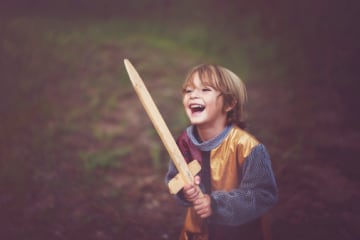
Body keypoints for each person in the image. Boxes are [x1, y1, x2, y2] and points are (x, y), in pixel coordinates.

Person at [165, 64, 278, 240]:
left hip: (239, 234)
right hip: (198, 233)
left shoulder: (248, 147)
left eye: (205, 89)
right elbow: (174, 180)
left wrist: (216, 204)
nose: (193, 95)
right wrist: (187, 192)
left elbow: (263, 195)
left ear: (229, 103)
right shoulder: (184, 144)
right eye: (188, 90)